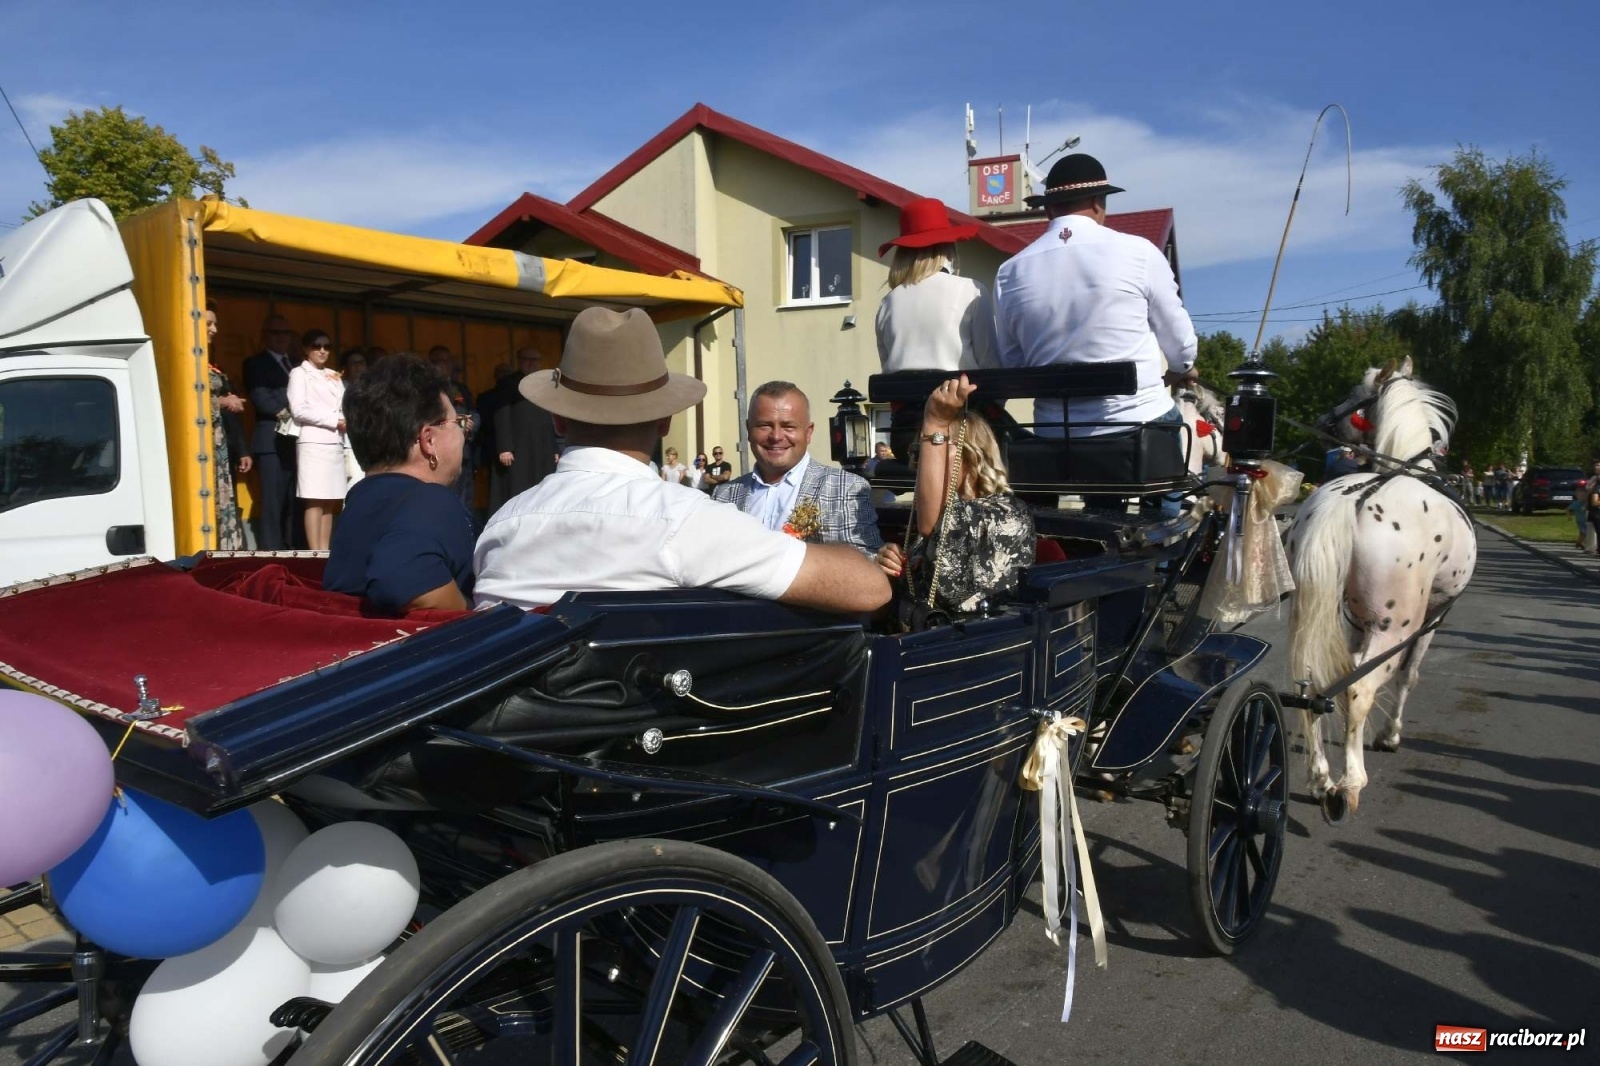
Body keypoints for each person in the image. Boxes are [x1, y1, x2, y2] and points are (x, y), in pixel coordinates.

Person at [474, 307, 890, 613]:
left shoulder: (502, 524)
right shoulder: (683, 519)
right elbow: (869, 588)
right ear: (664, 422)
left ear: (559, 419)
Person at [992, 154, 1197, 437]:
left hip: (1052, 434)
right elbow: (1181, 344)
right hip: (1138, 430)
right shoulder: (1140, 252)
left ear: (1048, 210)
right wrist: (1181, 367)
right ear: (1098, 203)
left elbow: (1012, 363)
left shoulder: (1008, 272)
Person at [325, 354, 475, 613]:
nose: (462, 433)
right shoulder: (431, 500)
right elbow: (399, 577)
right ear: (429, 439)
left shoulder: (357, 503)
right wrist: (472, 614)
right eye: (457, 423)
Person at [876, 375, 1035, 614]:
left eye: (937, 445)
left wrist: (936, 422)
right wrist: (889, 568)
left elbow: (936, 526)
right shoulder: (924, 519)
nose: (922, 460)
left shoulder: (1007, 513)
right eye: (920, 450)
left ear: (973, 456)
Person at [712, 382, 883, 557]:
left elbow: (866, 564)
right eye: (765, 425)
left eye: (788, 426)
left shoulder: (846, 488)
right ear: (749, 430)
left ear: (808, 432)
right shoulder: (724, 496)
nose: (776, 436)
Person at [875, 197, 996, 373]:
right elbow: (990, 365)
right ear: (948, 246)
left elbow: (887, 368)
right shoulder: (971, 290)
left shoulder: (888, 302)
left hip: (904, 399)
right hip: (960, 398)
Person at [242, 315, 300, 549]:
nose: (281, 338)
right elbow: (262, 398)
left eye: (286, 333)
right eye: (276, 333)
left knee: (294, 501)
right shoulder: (254, 363)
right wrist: (297, 416)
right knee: (272, 503)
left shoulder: (298, 364)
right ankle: (271, 552)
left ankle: (292, 550)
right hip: (271, 443)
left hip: (297, 443)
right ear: (265, 336)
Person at [288, 329, 347, 551]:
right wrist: (334, 420)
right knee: (314, 498)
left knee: (330, 500)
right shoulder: (299, 373)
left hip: (335, 442)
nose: (322, 351)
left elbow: (342, 405)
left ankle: (325, 550)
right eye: (316, 346)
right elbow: (299, 409)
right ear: (306, 349)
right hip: (313, 441)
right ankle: (315, 551)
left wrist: (345, 419)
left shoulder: (333, 374)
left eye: (326, 346)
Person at [204, 301, 251, 549]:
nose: (214, 330)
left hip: (223, 442)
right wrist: (222, 401)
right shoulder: (185, 363)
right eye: (208, 324)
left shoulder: (214, 365)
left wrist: (242, 449)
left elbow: (231, 412)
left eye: (215, 324)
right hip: (204, 443)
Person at [491, 348, 561, 513]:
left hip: (541, 446)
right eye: (527, 360)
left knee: (541, 488)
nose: (532, 364)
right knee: (518, 488)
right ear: (519, 361)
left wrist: (554, 448)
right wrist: (505, 447)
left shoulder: (543, 385)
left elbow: (549, 418)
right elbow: (502, 414)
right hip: (519, 447)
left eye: (535, 360)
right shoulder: (509, 383)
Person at [429, 346, 477, 514]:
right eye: (436, 361)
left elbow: (474, 413)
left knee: (464, 502)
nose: (441, 365)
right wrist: (450, 424)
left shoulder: (461, 388)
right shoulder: (425, 390)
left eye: (445, 361)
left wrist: (470, 426)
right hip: (437, 455)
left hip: (463, 453)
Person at [1586, 460, 1600, 555]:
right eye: (1595, 466)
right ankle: (1591, 547)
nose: (1596, 468)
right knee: (1593, 528)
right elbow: (1588, 489)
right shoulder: (1594, 479)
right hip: (1594, 508)